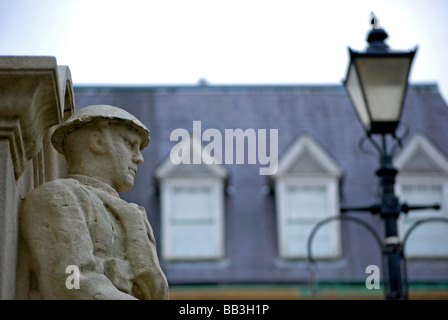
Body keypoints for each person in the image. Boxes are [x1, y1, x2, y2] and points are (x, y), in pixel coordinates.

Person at [16, 105, 169, 300]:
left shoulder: (133, 214)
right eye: (130, 144)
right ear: (97, 141)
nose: (139, 158)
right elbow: (73, 281)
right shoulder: (59, 197)